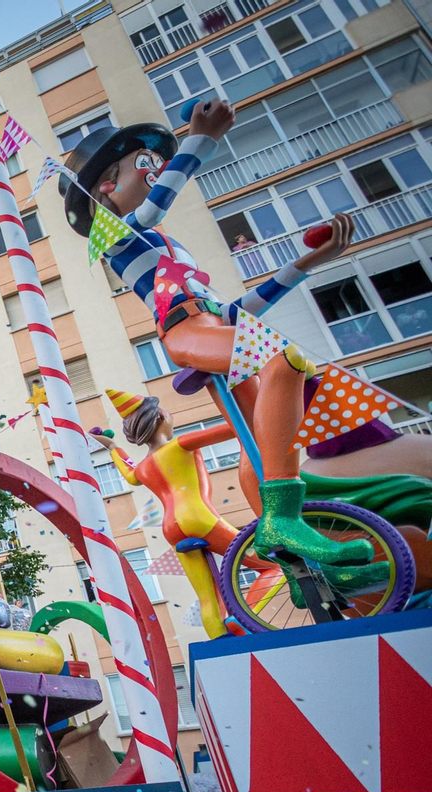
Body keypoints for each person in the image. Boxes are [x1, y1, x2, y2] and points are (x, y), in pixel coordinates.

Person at [61, 98, 369, 568]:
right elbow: (153, 208)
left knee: (260, 433)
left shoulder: (170, 245)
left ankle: (295, 542)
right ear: (107, 186)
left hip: (211, 324)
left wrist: (306, 263)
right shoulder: (116, 235)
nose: (155, 170)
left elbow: (234, 310)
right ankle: (284, 517)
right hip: (184, 331)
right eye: (145, 163)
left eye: (158, 163)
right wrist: (200, 141)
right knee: (284, 359)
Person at [94, 389, 276, 638]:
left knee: (207, 597)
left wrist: (113, 446)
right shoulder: (181, 444)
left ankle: (220, 643)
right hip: (198, 516)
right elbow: (236, 428)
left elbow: (129, 475)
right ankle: (243, 617)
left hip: (171, 527)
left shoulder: (144, 468)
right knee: (272, 567)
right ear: (160, 416)